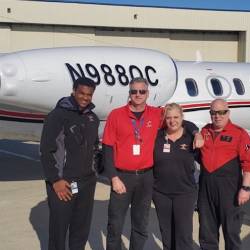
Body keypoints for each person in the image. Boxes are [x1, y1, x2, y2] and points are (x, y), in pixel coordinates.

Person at [102, 77, 202, 250]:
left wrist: (196, 132)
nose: (138, 95)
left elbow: (178, 120)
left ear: (147, 93)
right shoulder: (116, 115)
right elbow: (107, 148)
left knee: (141, 224)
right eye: (134, 91)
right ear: (129, 93)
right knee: (115, 224)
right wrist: (113, 177)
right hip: (122, 176)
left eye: (142, 91)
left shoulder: (157, 114)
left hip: (147, 177)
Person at [40, 77, 100, 250]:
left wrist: (96, 170)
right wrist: (55, 180)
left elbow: (94, 147)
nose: (85, 98)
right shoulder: (57, 116)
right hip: (64, 183)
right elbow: (46, 150)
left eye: (89, 94)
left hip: (87, 183)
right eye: (81, 93)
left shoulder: (92, 118)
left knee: (80, 231)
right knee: (59, 232)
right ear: (73, 91)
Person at [198, 98, 250, 250]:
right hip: (206, 189)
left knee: (231, 232)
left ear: (228, 112)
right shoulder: (204, 131)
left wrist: (246, 188)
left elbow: (249, 163)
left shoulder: (239, 134)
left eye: (221, 112)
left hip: (229, 190)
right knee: (206, 233)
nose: (217, 116)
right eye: (213, 113)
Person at [153, 103, 199, 250]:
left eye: (176, 117)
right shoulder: (157, 137)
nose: (172, 121)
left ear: (182, 118)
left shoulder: (191, 138)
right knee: (166, 232)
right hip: (161, 193)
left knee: (184, 234)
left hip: (184, 193)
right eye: (169, 118)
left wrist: (196, 133)